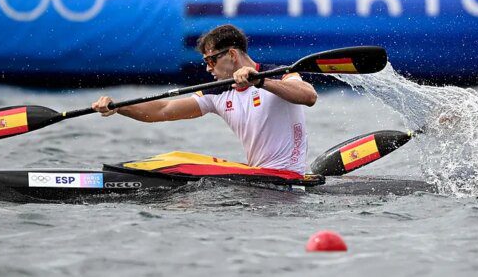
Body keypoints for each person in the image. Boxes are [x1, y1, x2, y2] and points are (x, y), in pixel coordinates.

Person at [91, 25, 317, 175]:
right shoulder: (217, 92)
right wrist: (118, 107)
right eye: (205, 62)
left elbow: (308, 96)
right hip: (261, 177)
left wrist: (259, 82)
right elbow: (163, 110)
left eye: (211, 61)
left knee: (180, 167)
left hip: (287, 178)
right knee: (176, 159)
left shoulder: (277, 74)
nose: (208, 69)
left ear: (232, 54)